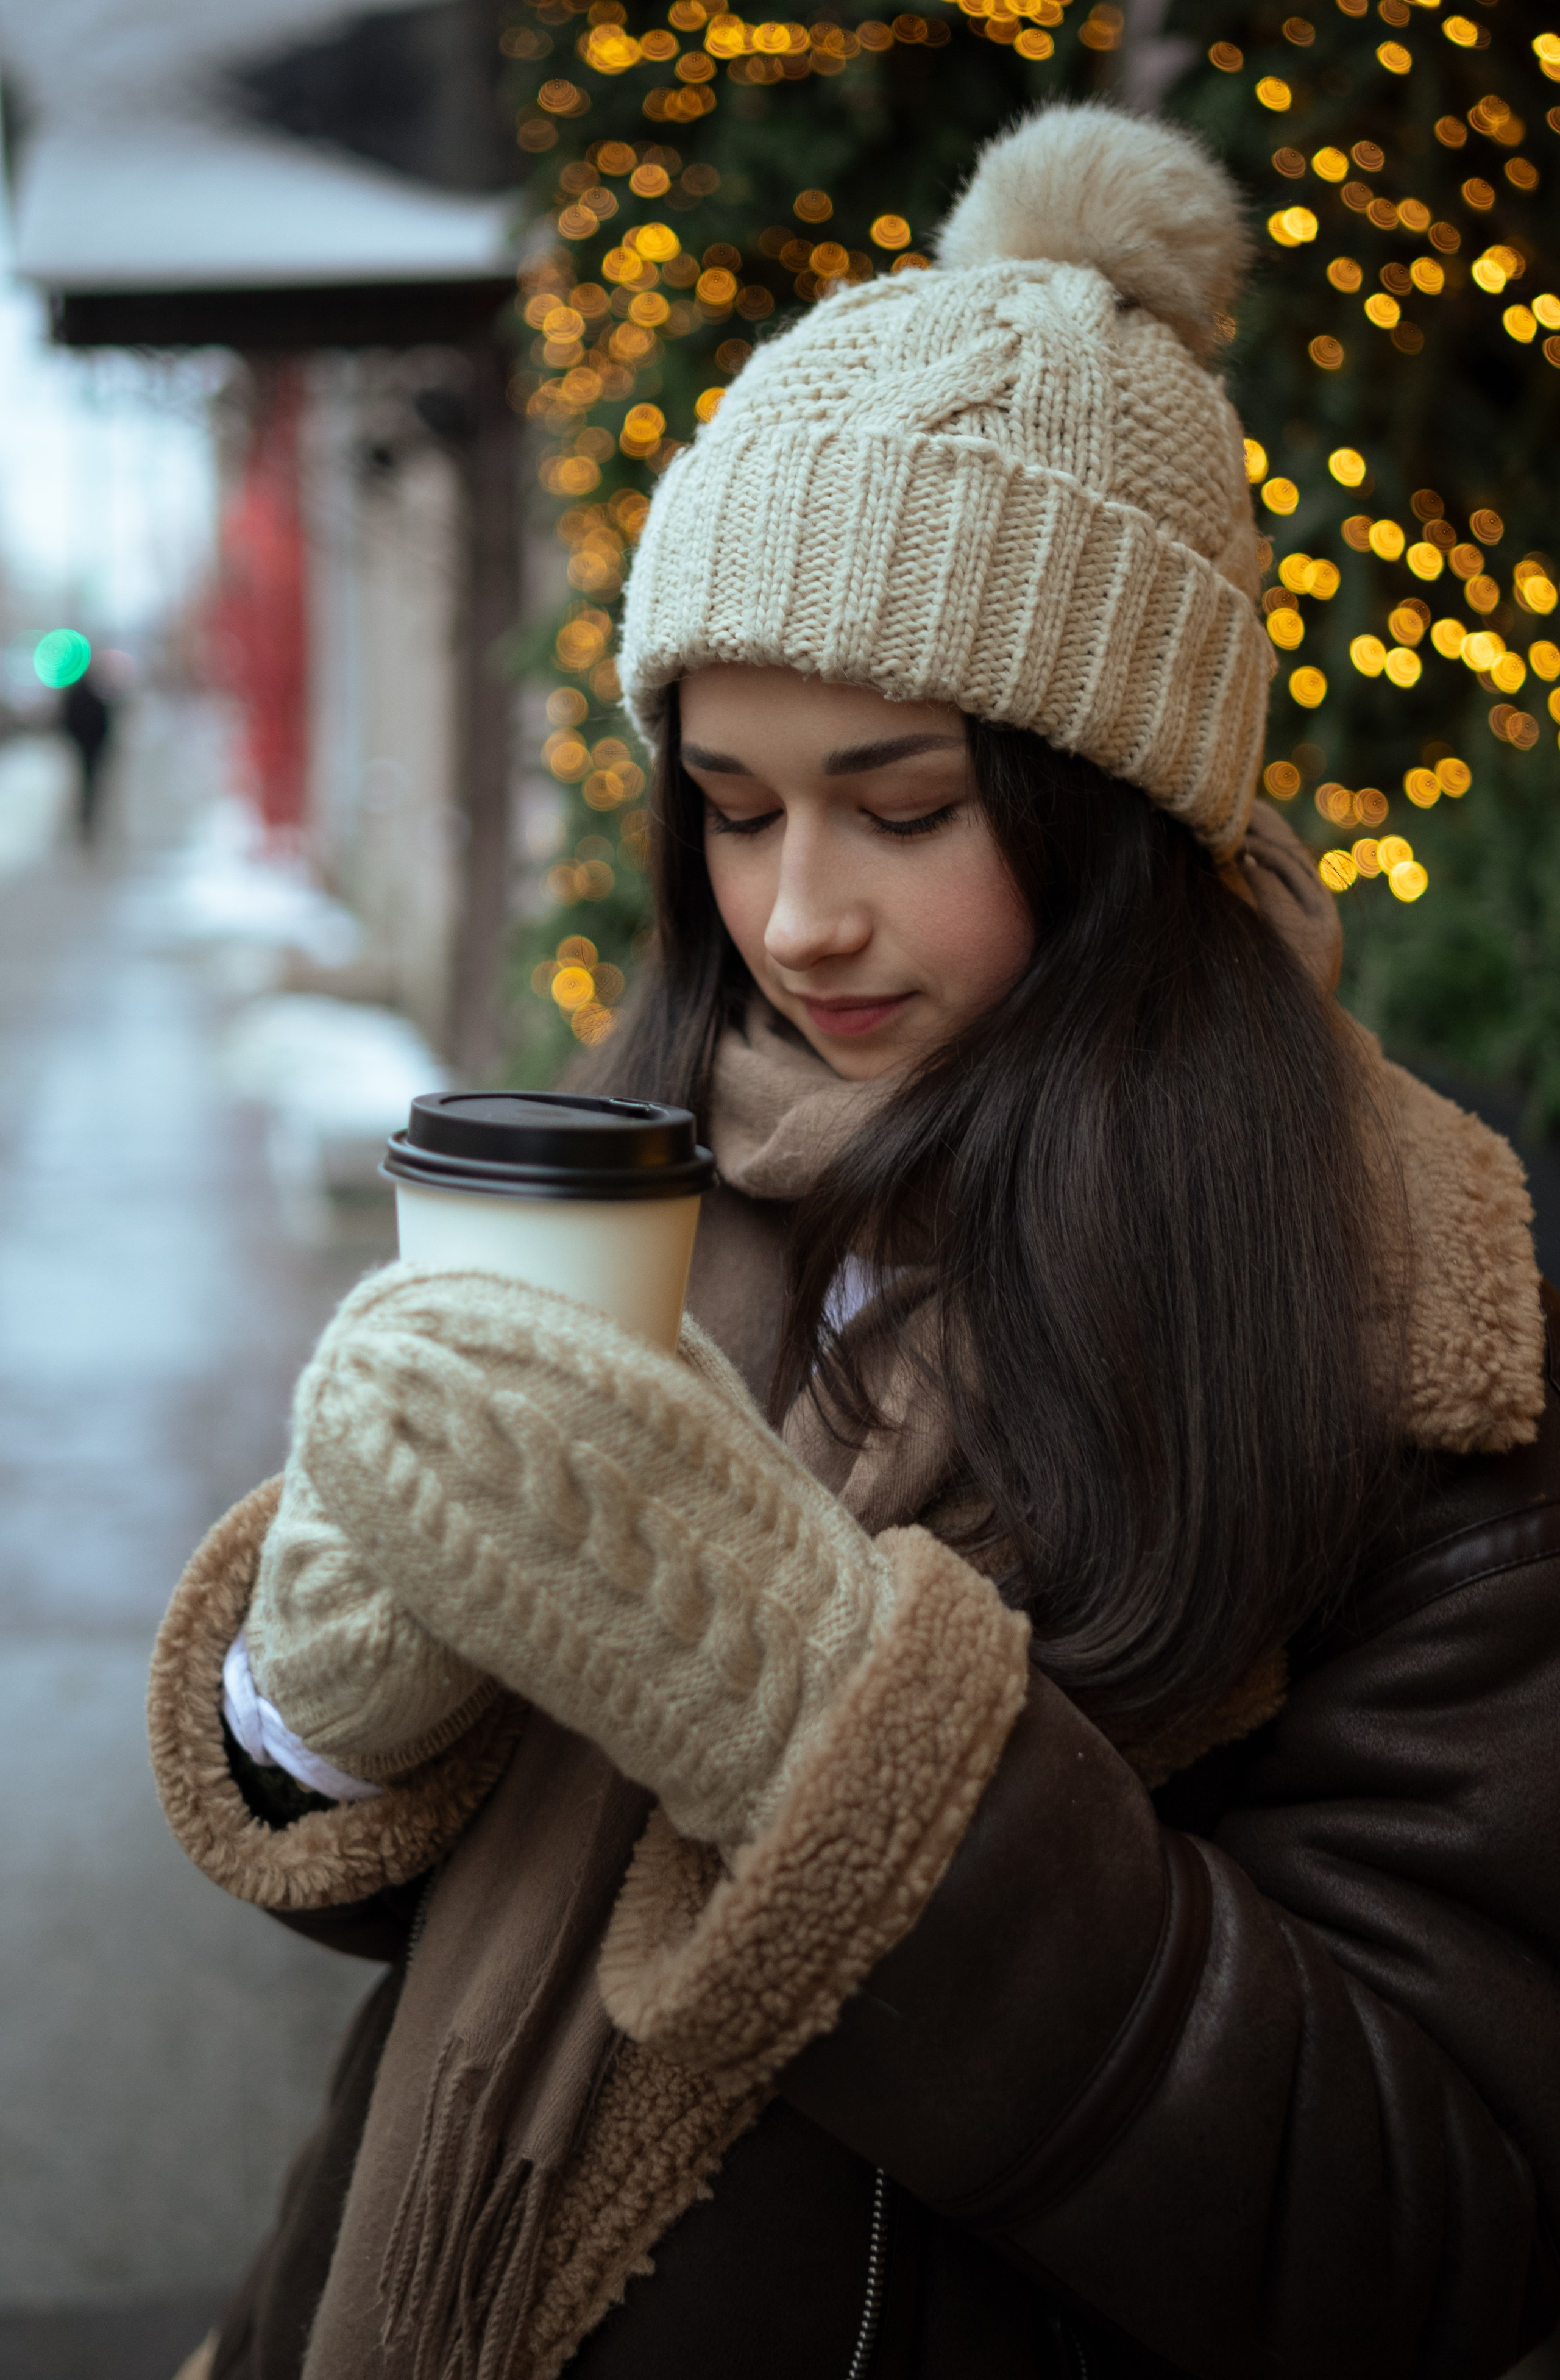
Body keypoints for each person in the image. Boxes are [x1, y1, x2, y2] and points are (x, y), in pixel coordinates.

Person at [149, 104, 1560, 2380]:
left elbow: (1421, 2218)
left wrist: (802, 1709)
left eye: (901, 808)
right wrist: (318, 1688)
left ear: (1113, 810)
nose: (793, 916)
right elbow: (449, 1954)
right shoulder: (643, 1154)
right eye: (727, 809)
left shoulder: (1396, 1324)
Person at [60, 666, 114, 844]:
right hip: (91, 745)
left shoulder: (77, 694)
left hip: (85, 745)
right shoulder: (93, 695)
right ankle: (86, 817)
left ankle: (85, 817)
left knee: (86, 782)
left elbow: (66, 720)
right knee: (90, 782)